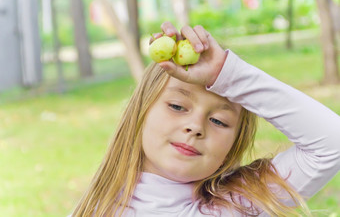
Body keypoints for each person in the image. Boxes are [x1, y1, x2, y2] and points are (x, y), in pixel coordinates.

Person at [71, 22, 340, 217]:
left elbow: (331, 142)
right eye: (177, 106)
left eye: (219, 121)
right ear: (140, 112)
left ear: (231, 147)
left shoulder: (238, 206)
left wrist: (225, 75)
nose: (195, 127)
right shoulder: (94, 208)